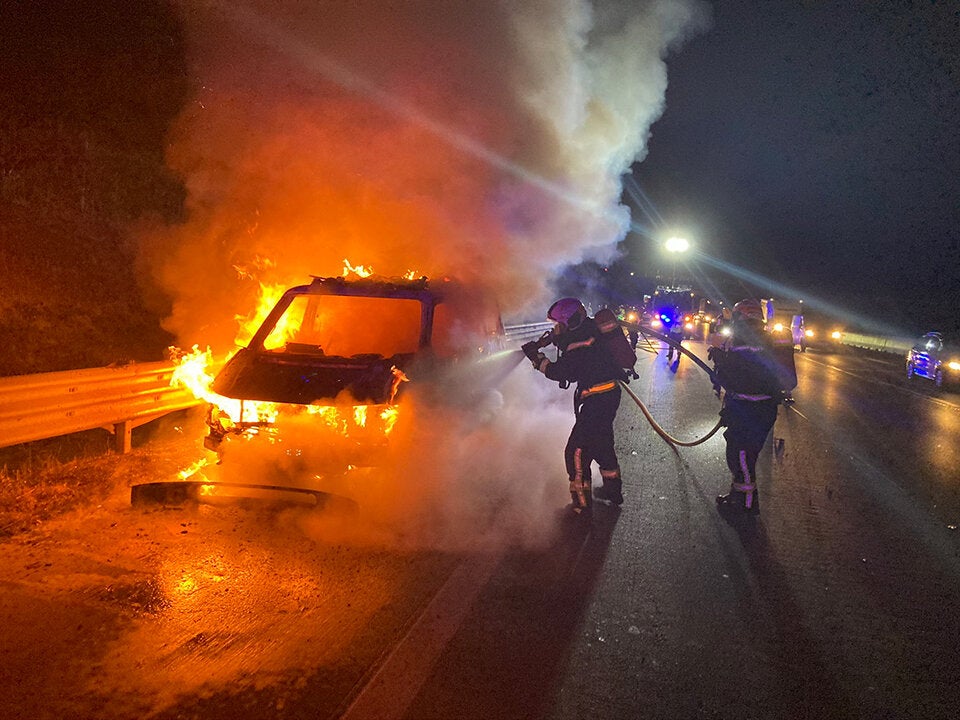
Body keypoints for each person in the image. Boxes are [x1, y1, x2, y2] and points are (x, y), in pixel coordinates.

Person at [523, 297, 625, 513]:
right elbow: (575, 351)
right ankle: (613, 492)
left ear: (569, 322)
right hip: (607, 395)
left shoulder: (579, 342)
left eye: (558, 324)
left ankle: (581, 505)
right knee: (602, 444)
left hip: (597, 401)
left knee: (576, 451)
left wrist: (536, 357)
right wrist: (554, 340)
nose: (556, 329)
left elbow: (560, 372)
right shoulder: (589, 331)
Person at [710, 298, 796, 514]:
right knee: (746, 455)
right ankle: (738, 497)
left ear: (740, 317)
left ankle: (746, 507)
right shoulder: (769, 340)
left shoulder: (739, 340)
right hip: (764, 410)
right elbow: (786, 380)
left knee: (740, 456)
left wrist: (720, 357)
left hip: (746, 409)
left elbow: (730, 378)